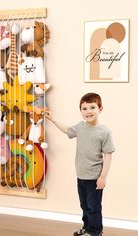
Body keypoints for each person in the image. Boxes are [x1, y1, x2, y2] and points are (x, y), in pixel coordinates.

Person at [45, 93, 115, 236]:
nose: (88, 111)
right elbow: (67, 130)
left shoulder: (104, 132)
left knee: (93, 207)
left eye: (92, 107)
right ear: (81, 111)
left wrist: (103, 176)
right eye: (84, 108)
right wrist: (53, 119)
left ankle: (95, 232)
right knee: (84, 205)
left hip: (94, 178)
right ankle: (87, 227)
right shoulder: (80, 127)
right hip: (81, 176)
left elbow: (108, 155)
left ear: (100, 109)